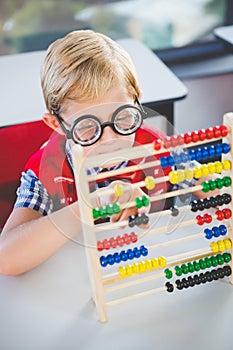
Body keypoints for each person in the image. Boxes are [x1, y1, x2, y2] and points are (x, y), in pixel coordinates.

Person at [0, 30, 218, 276]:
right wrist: (86, 208)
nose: (111, 140)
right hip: (77, 284)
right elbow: (6, 259)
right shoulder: (46, 170)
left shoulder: (157, 146)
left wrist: (215, 186)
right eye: (87, 127)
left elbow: (206, 184)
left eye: (124, 118)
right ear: (56, 125)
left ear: (138, 103)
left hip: (148, 275)